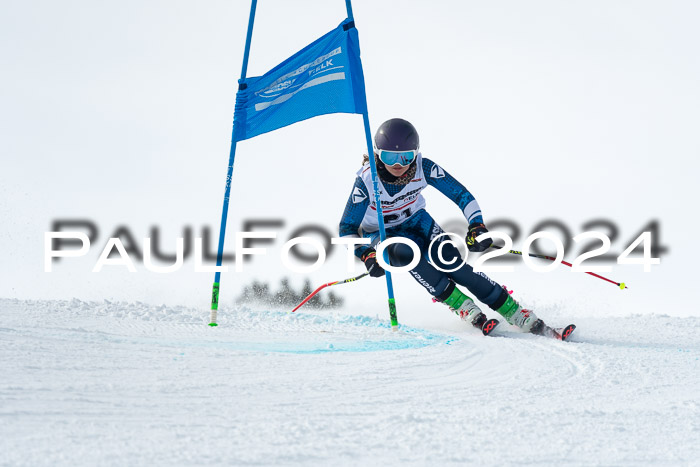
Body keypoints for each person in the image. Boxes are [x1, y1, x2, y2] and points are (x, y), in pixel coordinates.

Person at [338, 118, 549, 335]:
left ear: (416, 153)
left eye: (406, 156)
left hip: (418, 222)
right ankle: (464, 307)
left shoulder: (424, 167)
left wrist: (476, 225)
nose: (398, 164)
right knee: (404, 253)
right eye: (390, 156)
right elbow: (346, 228)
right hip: (384, 233)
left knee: (451, 261)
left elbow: (462, 195)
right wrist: (366, 255)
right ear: (377, 153)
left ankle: (515, 312)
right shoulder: (366, 180)